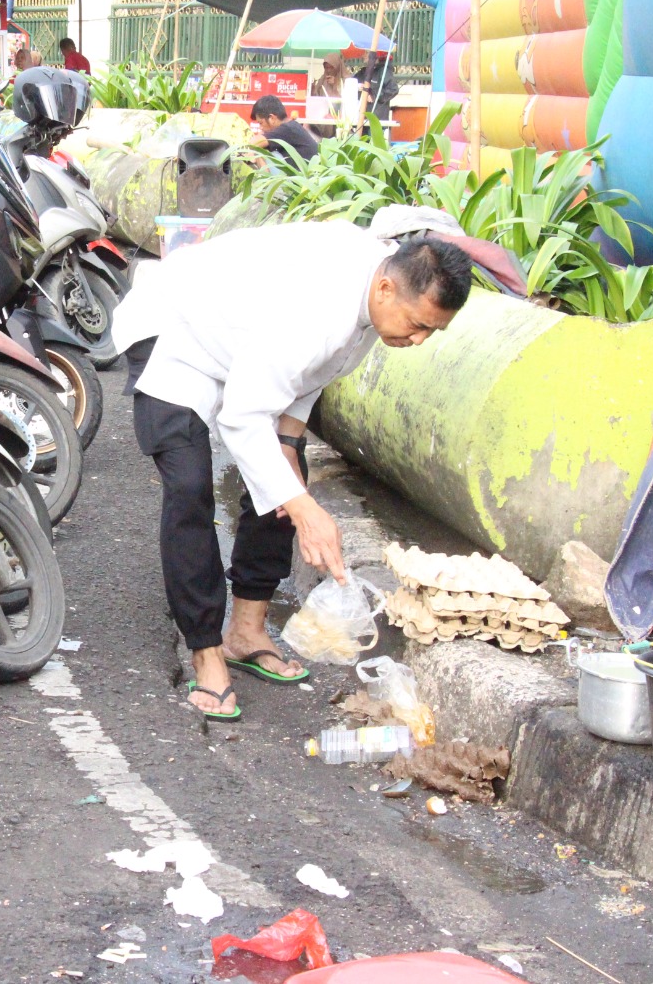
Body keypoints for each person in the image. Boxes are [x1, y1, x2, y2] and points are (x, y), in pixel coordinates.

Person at [111, 222, 473, 721]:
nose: (419, 339)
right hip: (175, 332)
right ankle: (206, 651)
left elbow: (309, 374)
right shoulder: (318, 307)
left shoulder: (375, 297)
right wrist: (304, 510)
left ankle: (247, 630)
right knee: (190, 485)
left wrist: (288, 446)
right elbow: (243, 415)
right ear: (386, 287)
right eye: (417, 324)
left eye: (432, 331)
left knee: (286, 472)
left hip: (240, 347)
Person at [248, 95, 319, 162]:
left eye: (261, 123)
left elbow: (255, 143)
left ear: (272, 118)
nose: (261, 128)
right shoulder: (291, 126)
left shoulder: (287, 130)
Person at [308, 52, 349, 139]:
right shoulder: (323, 79)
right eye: (326, 68)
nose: (329, 70)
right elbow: (317, 98)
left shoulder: (346, 79)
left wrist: (336, 84)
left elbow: (349, 98)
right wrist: (312, 90)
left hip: (341, 119)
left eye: (331, 67)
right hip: (324, 118)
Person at [355, 51, 400, 122]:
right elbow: (351, 85)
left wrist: (373, 96)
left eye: (367, 52)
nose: (363, 55)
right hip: (361, 117)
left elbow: (393, 90)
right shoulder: (363, 72)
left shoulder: (384, 71)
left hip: (377, 119)